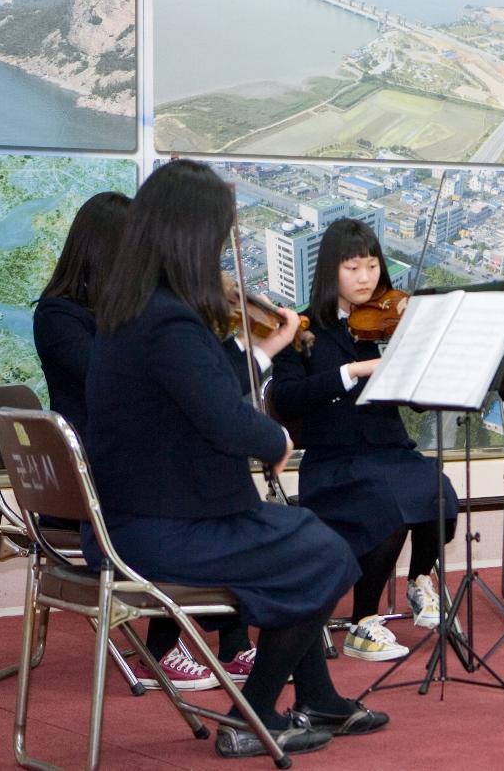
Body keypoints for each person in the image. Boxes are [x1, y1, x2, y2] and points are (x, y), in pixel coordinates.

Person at [83, 159, 385, 758]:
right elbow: (224, 420)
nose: (223, 250)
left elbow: (207, 388)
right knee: (322, 552)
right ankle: (253, 714)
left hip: (139, 516)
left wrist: (260, 349)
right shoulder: (169, 321)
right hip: (160, 527)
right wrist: (275, 441)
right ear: (193, 237)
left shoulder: (134, 311)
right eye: (219, 235)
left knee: (307, 538)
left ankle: (318, 698)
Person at [33, 190, 278, 693]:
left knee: (208, 487)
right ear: (105, 249)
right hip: (92, 484)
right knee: (200, 499)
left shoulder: (133, 317)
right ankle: (170, 647)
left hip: (126, 475)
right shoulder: (60, 317)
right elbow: (117, 379)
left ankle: (226, 645)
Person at [270, 218, 457, 661]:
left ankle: (419, 581)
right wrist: (351, 372)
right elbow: (287, 398)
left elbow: (416, 404)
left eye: (372, 266)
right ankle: (363, 622)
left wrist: (420, 361)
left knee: (441, 492)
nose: (365, 278)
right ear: (331, 271)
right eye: (353, 268)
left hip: (389, 449)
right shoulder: (302, 328)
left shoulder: (390, 322)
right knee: (386, 506)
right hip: (335, 461)